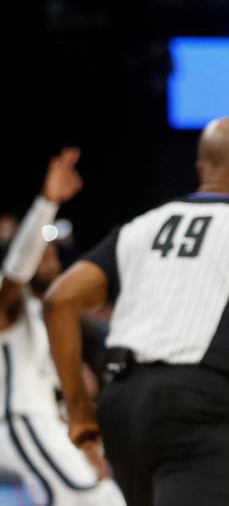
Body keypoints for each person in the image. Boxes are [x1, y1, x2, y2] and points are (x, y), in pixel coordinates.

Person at [43, 117, 229, 506]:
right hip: (195, 405)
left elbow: (59, 300)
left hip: (121, 406)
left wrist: (80, 409)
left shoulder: (142, 226)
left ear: (201, 170)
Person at [0, 149, 125, 505]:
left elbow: (58, 396)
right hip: (16, 420)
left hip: (44, 422)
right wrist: (47, 203)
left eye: (54, 253)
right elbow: (16, 269)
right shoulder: (8, 304)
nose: (52, 259)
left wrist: (87, 450)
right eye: (44, 251)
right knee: (79, 498)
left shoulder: (44, 316)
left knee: (108, 496)